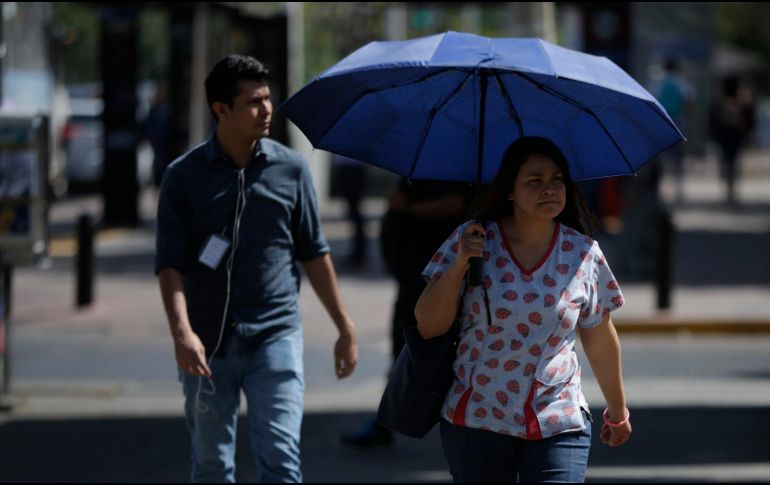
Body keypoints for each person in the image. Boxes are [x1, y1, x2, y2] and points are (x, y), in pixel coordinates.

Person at [156, 55, 358, 483]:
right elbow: (170, 265)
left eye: (268, 98)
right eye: (253, 102)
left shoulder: (291, 169)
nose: (267, 110)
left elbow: (314, 252)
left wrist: (344, 325)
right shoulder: (183, 176)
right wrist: (182, 332)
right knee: (211, 466)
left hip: (275, 335)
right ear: (220, 110)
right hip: (207, 343)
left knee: (282, 462)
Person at [415, 137, 631, 482]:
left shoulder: (584, 253)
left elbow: (600, 337)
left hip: (558, 419)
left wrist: (617, 410)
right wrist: (458, 266)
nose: (549, 188)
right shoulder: (471, 241)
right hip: (477, 419)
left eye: (557, 179)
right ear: (510, 191)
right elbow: (428, 326)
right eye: (535, 180)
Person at [341, 178, 471, 447]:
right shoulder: (425, 159)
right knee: (403, 350)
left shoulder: (458, 169)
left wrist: (409, 206)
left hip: (441, 277)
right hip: (413, 274)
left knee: (423, 352)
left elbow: (454, 204)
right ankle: (386, 421)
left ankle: (397, 421)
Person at [710, 76, 756, 205]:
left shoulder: (723, 103)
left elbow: (714, 122)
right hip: (732, 137)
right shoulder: (739, 102)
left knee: (728, 162)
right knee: (731, 162)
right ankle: (731, 188)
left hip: (728, 137)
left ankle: (730, 188)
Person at [330, 153, 367, 266]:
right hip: (350, 167)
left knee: (354, 213)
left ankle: (359, 253)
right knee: (353, 212)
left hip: (351, 167)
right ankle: (358, 252)